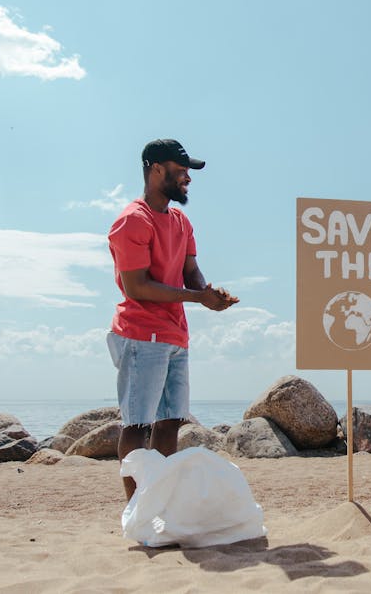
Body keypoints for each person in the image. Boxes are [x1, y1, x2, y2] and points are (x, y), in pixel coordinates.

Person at [107, 138, 238, 501]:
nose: (187, 179)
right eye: (181, 171)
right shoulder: (132, 221)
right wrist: (197, 297)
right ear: (156, 170)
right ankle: (136, 509)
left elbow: (190, 269)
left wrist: (210, 294)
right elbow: (137, 287)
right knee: (136, 424)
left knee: (170, 423)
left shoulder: (180, 220)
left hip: (175, 337)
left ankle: (160, 502)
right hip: (140, 336)